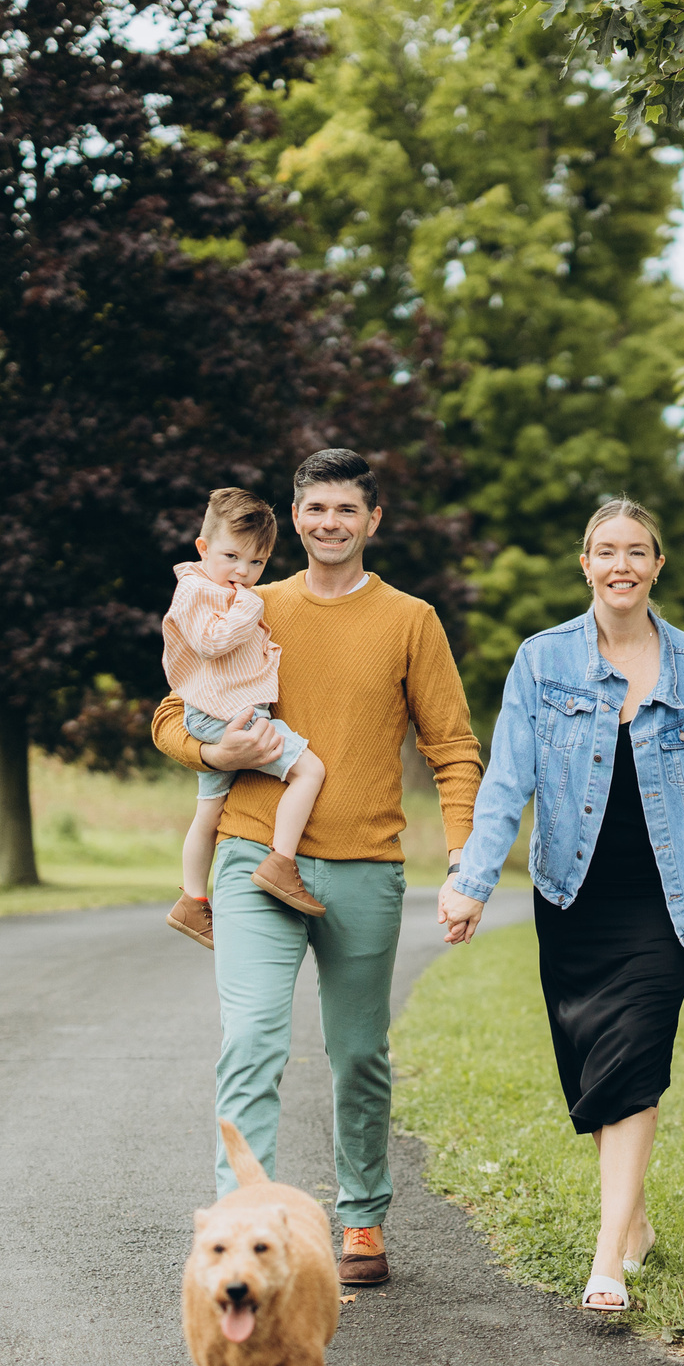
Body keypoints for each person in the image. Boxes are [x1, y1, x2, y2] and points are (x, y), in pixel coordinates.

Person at [151, 449, 485, 1288]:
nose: (328, 522)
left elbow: (451, 747)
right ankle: (242, 1228)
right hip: (252, 852)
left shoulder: (412, 620)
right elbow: (168, 709)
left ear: (374, 520)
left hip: (365, 866)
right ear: (293, 518)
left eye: (346, 509)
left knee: (358, 1051)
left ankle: (362, 1218)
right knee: (254, 1037)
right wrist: (210, 746)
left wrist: (464, 860)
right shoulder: (244, 605)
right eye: (314, 508)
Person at [438, 499, 684, 1314]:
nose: (622, 564)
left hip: (668, 900)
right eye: (606, 551)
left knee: (634, 1060)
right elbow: (506, 781)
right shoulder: (542, 661)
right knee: (592, 1071)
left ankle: (606, 1257)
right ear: (585, 563)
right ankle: (636, 1217)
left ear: (658, 566)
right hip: (572, 894)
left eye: (638, 551)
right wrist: (472, 880)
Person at [160, 487, 329, 946]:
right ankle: (280, 862)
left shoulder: (216, 588)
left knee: (208, 812)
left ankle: (193, 902)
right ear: (203, 548)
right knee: (310, 772)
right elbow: (212, 642)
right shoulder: (199, 591)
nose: (243, 572)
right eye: (232, 556)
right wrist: (249, 606)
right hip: (226, 718)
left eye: (256, 563)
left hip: (217, 715)